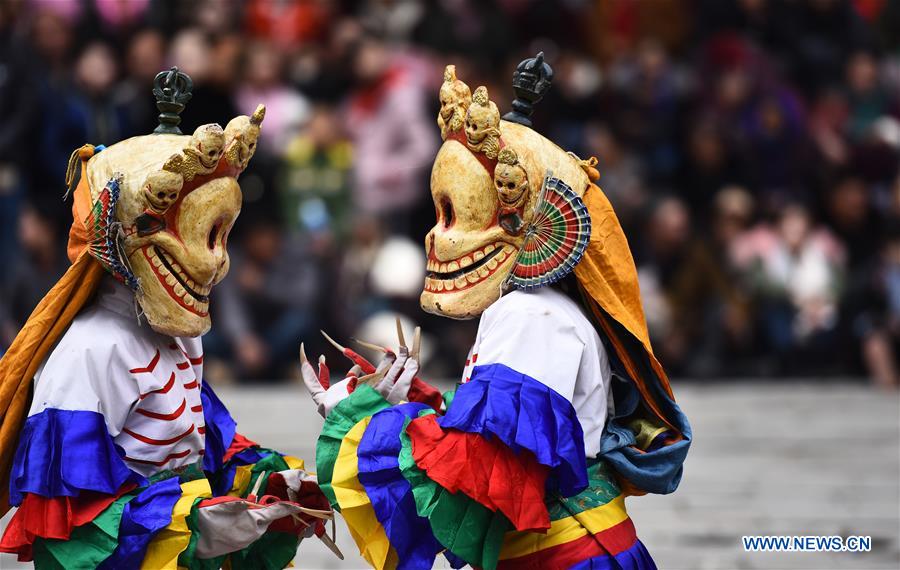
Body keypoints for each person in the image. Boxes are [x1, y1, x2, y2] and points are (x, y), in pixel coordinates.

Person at [301, 55, 691, 570]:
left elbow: (488, 473)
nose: (439, 235)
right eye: (441, 214)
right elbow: (500, 438)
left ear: (533, 224)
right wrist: (424, 408)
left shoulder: (531, 315)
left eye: (461, 213)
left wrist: (361, 422)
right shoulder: (537, 311)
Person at [0, 69, 336, 568]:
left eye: (219, 238)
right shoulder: (91, 351)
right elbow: (70, 527)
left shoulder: (180, 338)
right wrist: (192, 523)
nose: (217, 262)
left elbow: (209, 445)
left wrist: (273, 483)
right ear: (119, 235)